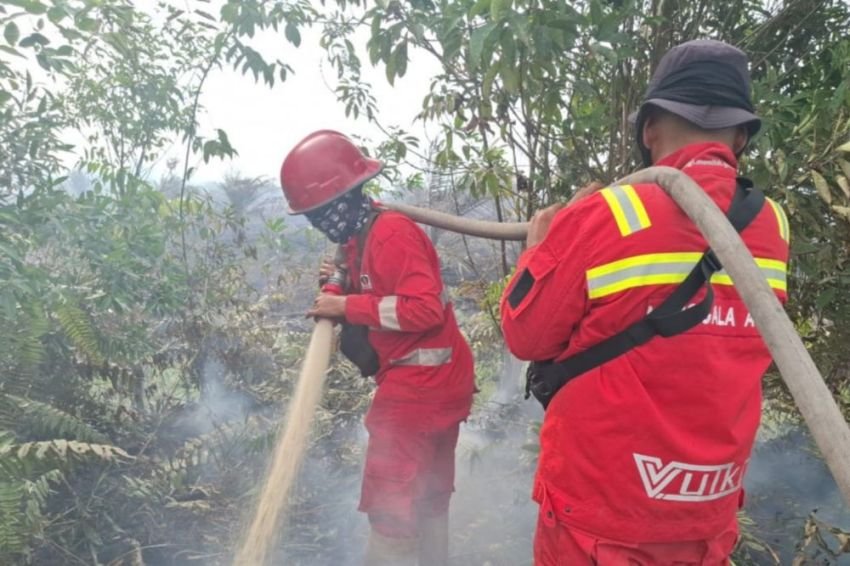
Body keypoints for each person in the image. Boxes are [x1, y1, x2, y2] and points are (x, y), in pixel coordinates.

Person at [500, 40, 790, 565]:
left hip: (599, 518)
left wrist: (541, 250)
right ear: (740, 136)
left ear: (649, 128)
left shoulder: (611, 212)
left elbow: (527, 336)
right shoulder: (774, 224)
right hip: (705, 514)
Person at [279, 130, 476, 566]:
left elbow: (423, 309)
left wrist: (345, 304)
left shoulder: (391, 234)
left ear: (341, 201)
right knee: (427, 497)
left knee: (392, 503)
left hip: (421, 387)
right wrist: (339, 278)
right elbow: (376, 282)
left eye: (317, 213)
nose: (317, 223)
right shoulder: (362, 233)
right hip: (437, 382)